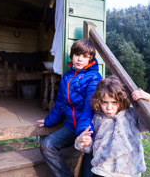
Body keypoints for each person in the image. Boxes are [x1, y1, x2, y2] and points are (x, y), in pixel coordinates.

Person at [75, 75, 150, 177]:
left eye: (114, 102)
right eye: (105, 102)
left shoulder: (132, 114)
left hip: (130, 171)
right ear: (99, 101)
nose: (109, 107)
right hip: (103, 171)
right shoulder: (97, 118)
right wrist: (82, 141)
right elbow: (90, 147)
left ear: (121, 100)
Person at [37, 39, 102, 177]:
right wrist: (49, 121)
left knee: (87, 173)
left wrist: (83, 132)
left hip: (90, 130)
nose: (80, 59)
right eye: (77, 55)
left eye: (85, 56)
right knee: (46, 145)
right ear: (72, 56)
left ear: (90, 59)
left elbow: (89, 107)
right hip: (71, 127)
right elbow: (60, 103)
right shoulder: (66, 77)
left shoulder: (94, 77)